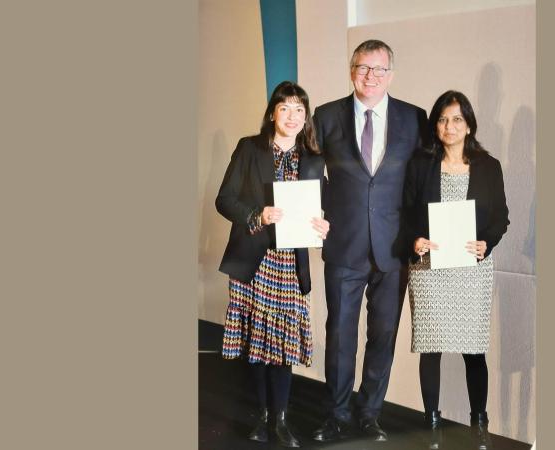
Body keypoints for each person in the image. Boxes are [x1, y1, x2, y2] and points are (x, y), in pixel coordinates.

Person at [310, 39, 428, 443]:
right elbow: (308, 177)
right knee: (340, 335)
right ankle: (337, 414)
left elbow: (423, 182)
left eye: (379, 70)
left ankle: (369, 413)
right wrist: (315, 216)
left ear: (391, 74)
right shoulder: (325, 117)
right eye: (363, 67)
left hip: (394, 249)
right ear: (351, 69)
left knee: (383, 336)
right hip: (344, 245)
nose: (371, 77)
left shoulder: (415, 119)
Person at [216, 81, 329, 448]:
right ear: (272, 113)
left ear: (306, 116)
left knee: (281, 343)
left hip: (290, 261)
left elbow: (324, 208)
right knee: (256, 339)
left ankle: (279, 421)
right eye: (285, 108)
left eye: (299, 109)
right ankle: (263, 416)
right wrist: (256, 214)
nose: (292, 116)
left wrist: (325, 223)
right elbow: (224, 199)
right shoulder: (250, 148)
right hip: (255, 256)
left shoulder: (313, 159)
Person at [403, 90, 510, 450]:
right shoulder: (420, 164)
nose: (450, 126)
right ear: (435, 125)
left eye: (457, 119)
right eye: (443, 119)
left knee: (473, 349)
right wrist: (414, 241)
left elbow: (500, 218)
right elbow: (403, 213)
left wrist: (487, 243)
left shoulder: (488, 166)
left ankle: (479, 425)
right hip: (429, 267)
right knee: (430, 348)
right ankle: (431, 427)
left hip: (471, 268)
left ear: (469, 125)